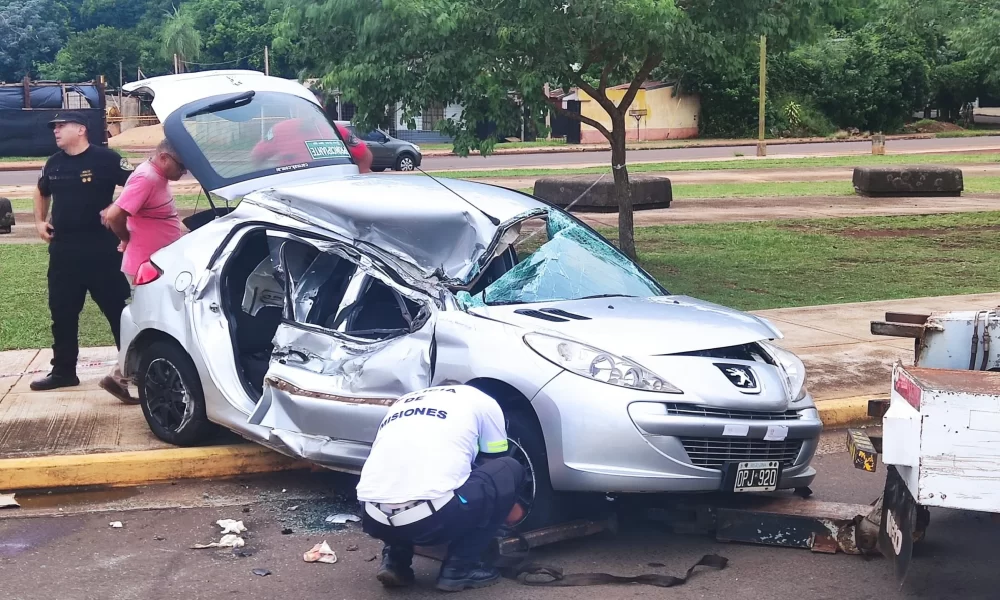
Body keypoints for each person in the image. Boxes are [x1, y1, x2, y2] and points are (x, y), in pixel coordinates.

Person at [356, 384, 525, 592]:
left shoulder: (402, 403)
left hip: (372, 518)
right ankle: (460, 569)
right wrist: (507, 503)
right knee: (510, 468)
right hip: (434, 521)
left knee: (401, 480)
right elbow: (494, 462)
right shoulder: (483, 402)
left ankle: (395, 561)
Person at [30, 111, 134, 392]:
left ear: (81, 129)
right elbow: (41, 191)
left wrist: (120, 213)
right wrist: (40, 220)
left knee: (118, 311)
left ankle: (133, 370)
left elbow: (137, 186)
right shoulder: (53, 163)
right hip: (64, 251)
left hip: (103, 249)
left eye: (62, 126)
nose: (56, 130)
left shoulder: (107, 159)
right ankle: (63, 371)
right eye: (54, 127)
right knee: (62, 312)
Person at [96, 138, 187, 403]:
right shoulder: (146, 178)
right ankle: (118, 377)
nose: (183, 173)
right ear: (164, 159)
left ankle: (118, 376)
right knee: (147, 321)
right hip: (145, 267)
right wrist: (125, 239)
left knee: (151, 319)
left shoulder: (157, 177)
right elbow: (113, 216)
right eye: (181, 167)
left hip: (156, 263)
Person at [249, 117, 373, 173]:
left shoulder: (335, 131)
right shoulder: (281, 130)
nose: (310, 116)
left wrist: (361, 173)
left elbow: (365, 154)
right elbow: (256, 157)